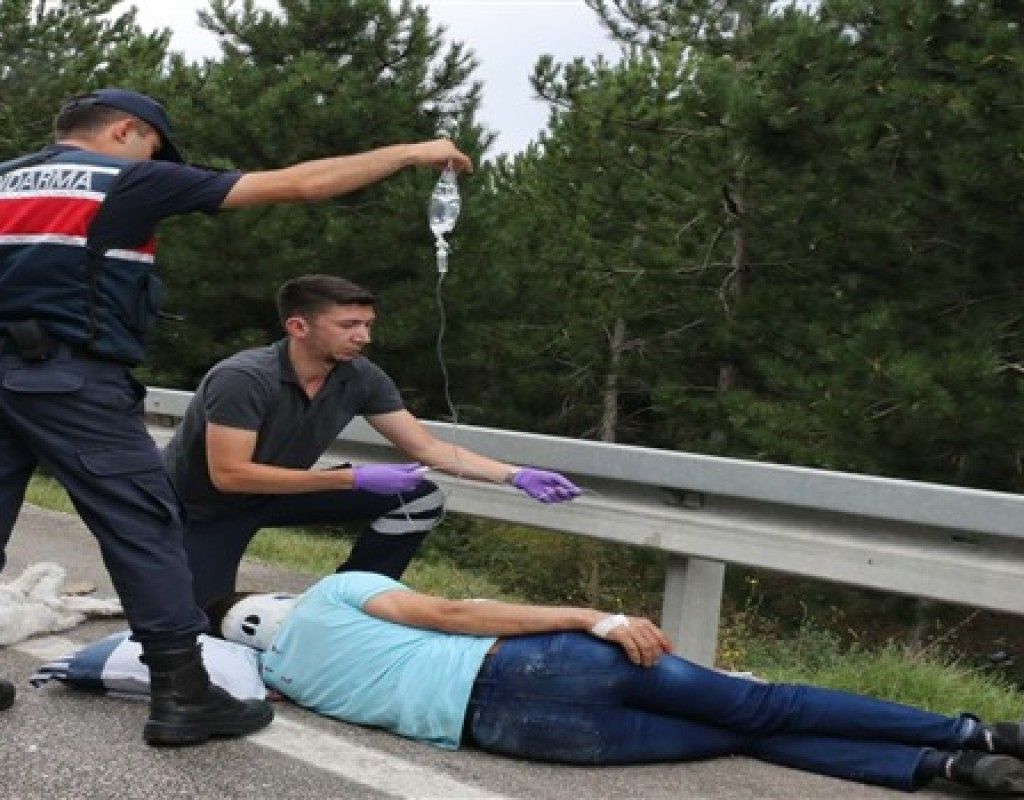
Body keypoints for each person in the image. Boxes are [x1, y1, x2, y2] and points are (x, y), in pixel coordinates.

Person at [0, 87, 472, 745]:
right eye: (154, 146)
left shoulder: (7, 178)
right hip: (71, 382)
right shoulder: (127, 178)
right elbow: (299, 184)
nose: (156, 160)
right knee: (144, 527)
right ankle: (184, 695)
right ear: (127, 130)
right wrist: (414, 152)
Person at [205, 575, 1024, 795]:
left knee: (747, 733)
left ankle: (944, 769)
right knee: (764, 702)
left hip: (526, 736)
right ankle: (971, 733)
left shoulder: (281, 679)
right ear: (271, 600)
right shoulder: (334, 592)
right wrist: (591, 617)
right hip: (535, 663)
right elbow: (451, 612)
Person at [163, 274, 582, 607]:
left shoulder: (359, 376)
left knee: (419, 498)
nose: (364, 336)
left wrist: (514, 475)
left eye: (367, 325)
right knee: (199, 628)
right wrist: (353, 478)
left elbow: (428, 450)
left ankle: (341, 605)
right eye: (349, 325)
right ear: (298, 327)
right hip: (201, 508)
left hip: (272, 494)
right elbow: (230, 476)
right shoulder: (244, 378)